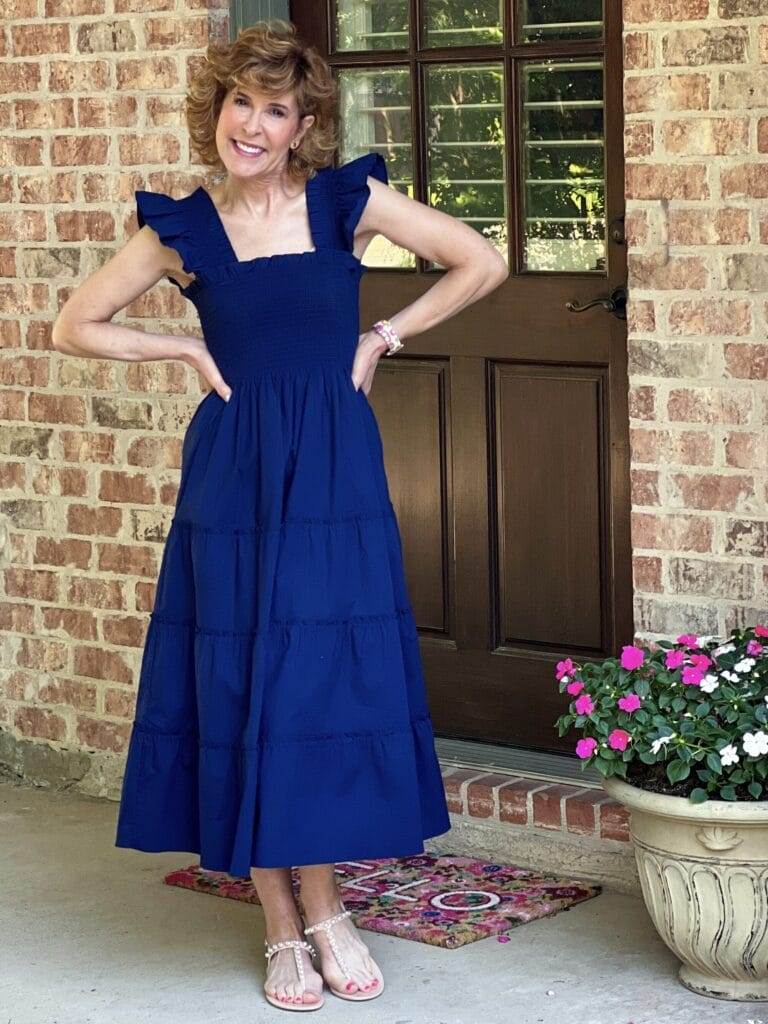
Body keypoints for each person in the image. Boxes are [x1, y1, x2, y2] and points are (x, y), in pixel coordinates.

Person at [51, 17, 508, 1013]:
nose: (253, 125)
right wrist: (175, 351)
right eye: (240, 103)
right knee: (242, 670)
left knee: (318, 682)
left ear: (305, 125)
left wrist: (382, 333)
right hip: (234, 473)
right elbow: (75, 323)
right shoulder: (180, 227)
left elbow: (479, 261)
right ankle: (281, 923)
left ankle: (330, 905)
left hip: (335, 470)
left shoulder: (349, 200)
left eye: (276, 109)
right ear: (217, 109)